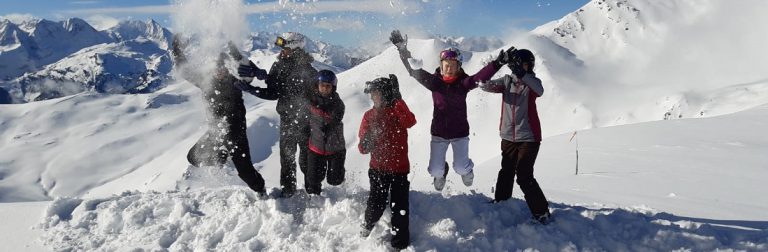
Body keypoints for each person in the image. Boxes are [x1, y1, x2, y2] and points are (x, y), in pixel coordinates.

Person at [389, 30, 507, 191]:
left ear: (459, 67)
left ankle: (467, 170)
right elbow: (413, 71)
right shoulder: (434, 83)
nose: (449, 69)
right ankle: (441, 172)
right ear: (441, 66)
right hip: (439, 133)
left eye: (452, 65)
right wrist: (402, 50)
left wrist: (497, 63)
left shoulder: (463, 84)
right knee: (434, 170)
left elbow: (479, 77)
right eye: (446, 65)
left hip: (460, 133)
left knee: (461, 167)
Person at [170, 35, 265, 194]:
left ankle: (261, 189)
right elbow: (185, 70)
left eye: (223, 68)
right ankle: (221, 156)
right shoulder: (206, 81)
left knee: (245, 171)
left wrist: (235, 52)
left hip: (235, 133)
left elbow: (248, 71)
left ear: (227, 69)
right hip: (216, 131)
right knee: (193, 157)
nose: (219, 71)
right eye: (216, 68)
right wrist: (177, 51)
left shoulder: (236, 82)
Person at [235, 32, 318, 197]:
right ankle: (288, 191)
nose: (282, 51)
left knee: (307, 159)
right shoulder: (278, 66)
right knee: (286, 158)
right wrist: (252, 89)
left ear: (295, 49)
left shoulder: (308, 70)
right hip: (287, 119)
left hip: (307, 121)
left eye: (285, 48)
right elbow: (273, 93)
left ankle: (313, 192)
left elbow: (318, 96)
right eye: (282, 48)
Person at [479, 48, 551, 224]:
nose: (519, 67)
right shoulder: (506, 81)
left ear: (529, 66)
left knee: (524, 175)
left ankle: (541, 212)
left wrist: (521, 73)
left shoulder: (532, 83)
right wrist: (497, 64)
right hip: (508, 136)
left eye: (523, 64)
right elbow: (483, 84)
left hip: (529, 137)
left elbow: (540, 90)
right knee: (506, 170)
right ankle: (501, 202)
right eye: (516, 64)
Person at [358, 75, 416, 250]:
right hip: (378, 169)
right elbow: (362, 148)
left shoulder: (397, 111)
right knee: (376, 204)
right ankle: (368, 224)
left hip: (400, 170)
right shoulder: (369, 116)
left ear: (385, 94)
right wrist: (366, 141)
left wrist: (398, 99)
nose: (373, 97)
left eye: (376, 93)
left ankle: (400, 244)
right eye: (372, 94)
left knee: (400, 209)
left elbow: (410, 121)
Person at [305, 70, 346, 195]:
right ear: (317, 85)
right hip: (316, 146)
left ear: (333, 87)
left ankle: (339, 192)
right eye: (322, 85)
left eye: (328, 86)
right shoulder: (310, 100)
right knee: (313, 179)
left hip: (335, 148)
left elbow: (336, 118)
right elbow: (303, 116)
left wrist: (329, 126)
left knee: (335, 180)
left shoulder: (337, 104)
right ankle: (315, 199)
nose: (325, 88)